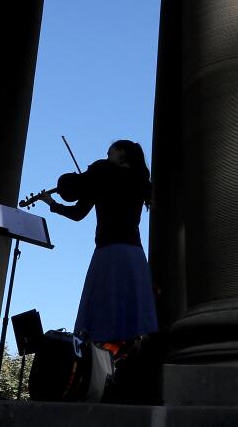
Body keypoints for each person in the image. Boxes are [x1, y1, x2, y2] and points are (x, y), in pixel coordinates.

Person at [36, 140, 158, 348]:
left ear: (122, 153)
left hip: (108, 251)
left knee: (102, 313)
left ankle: (102, 366)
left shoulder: (102, 175)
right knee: (132, 316)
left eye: (110, 151)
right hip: (134, 254)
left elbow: (77, 214)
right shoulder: (141, 182)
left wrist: (53, 204)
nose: (106, 155)